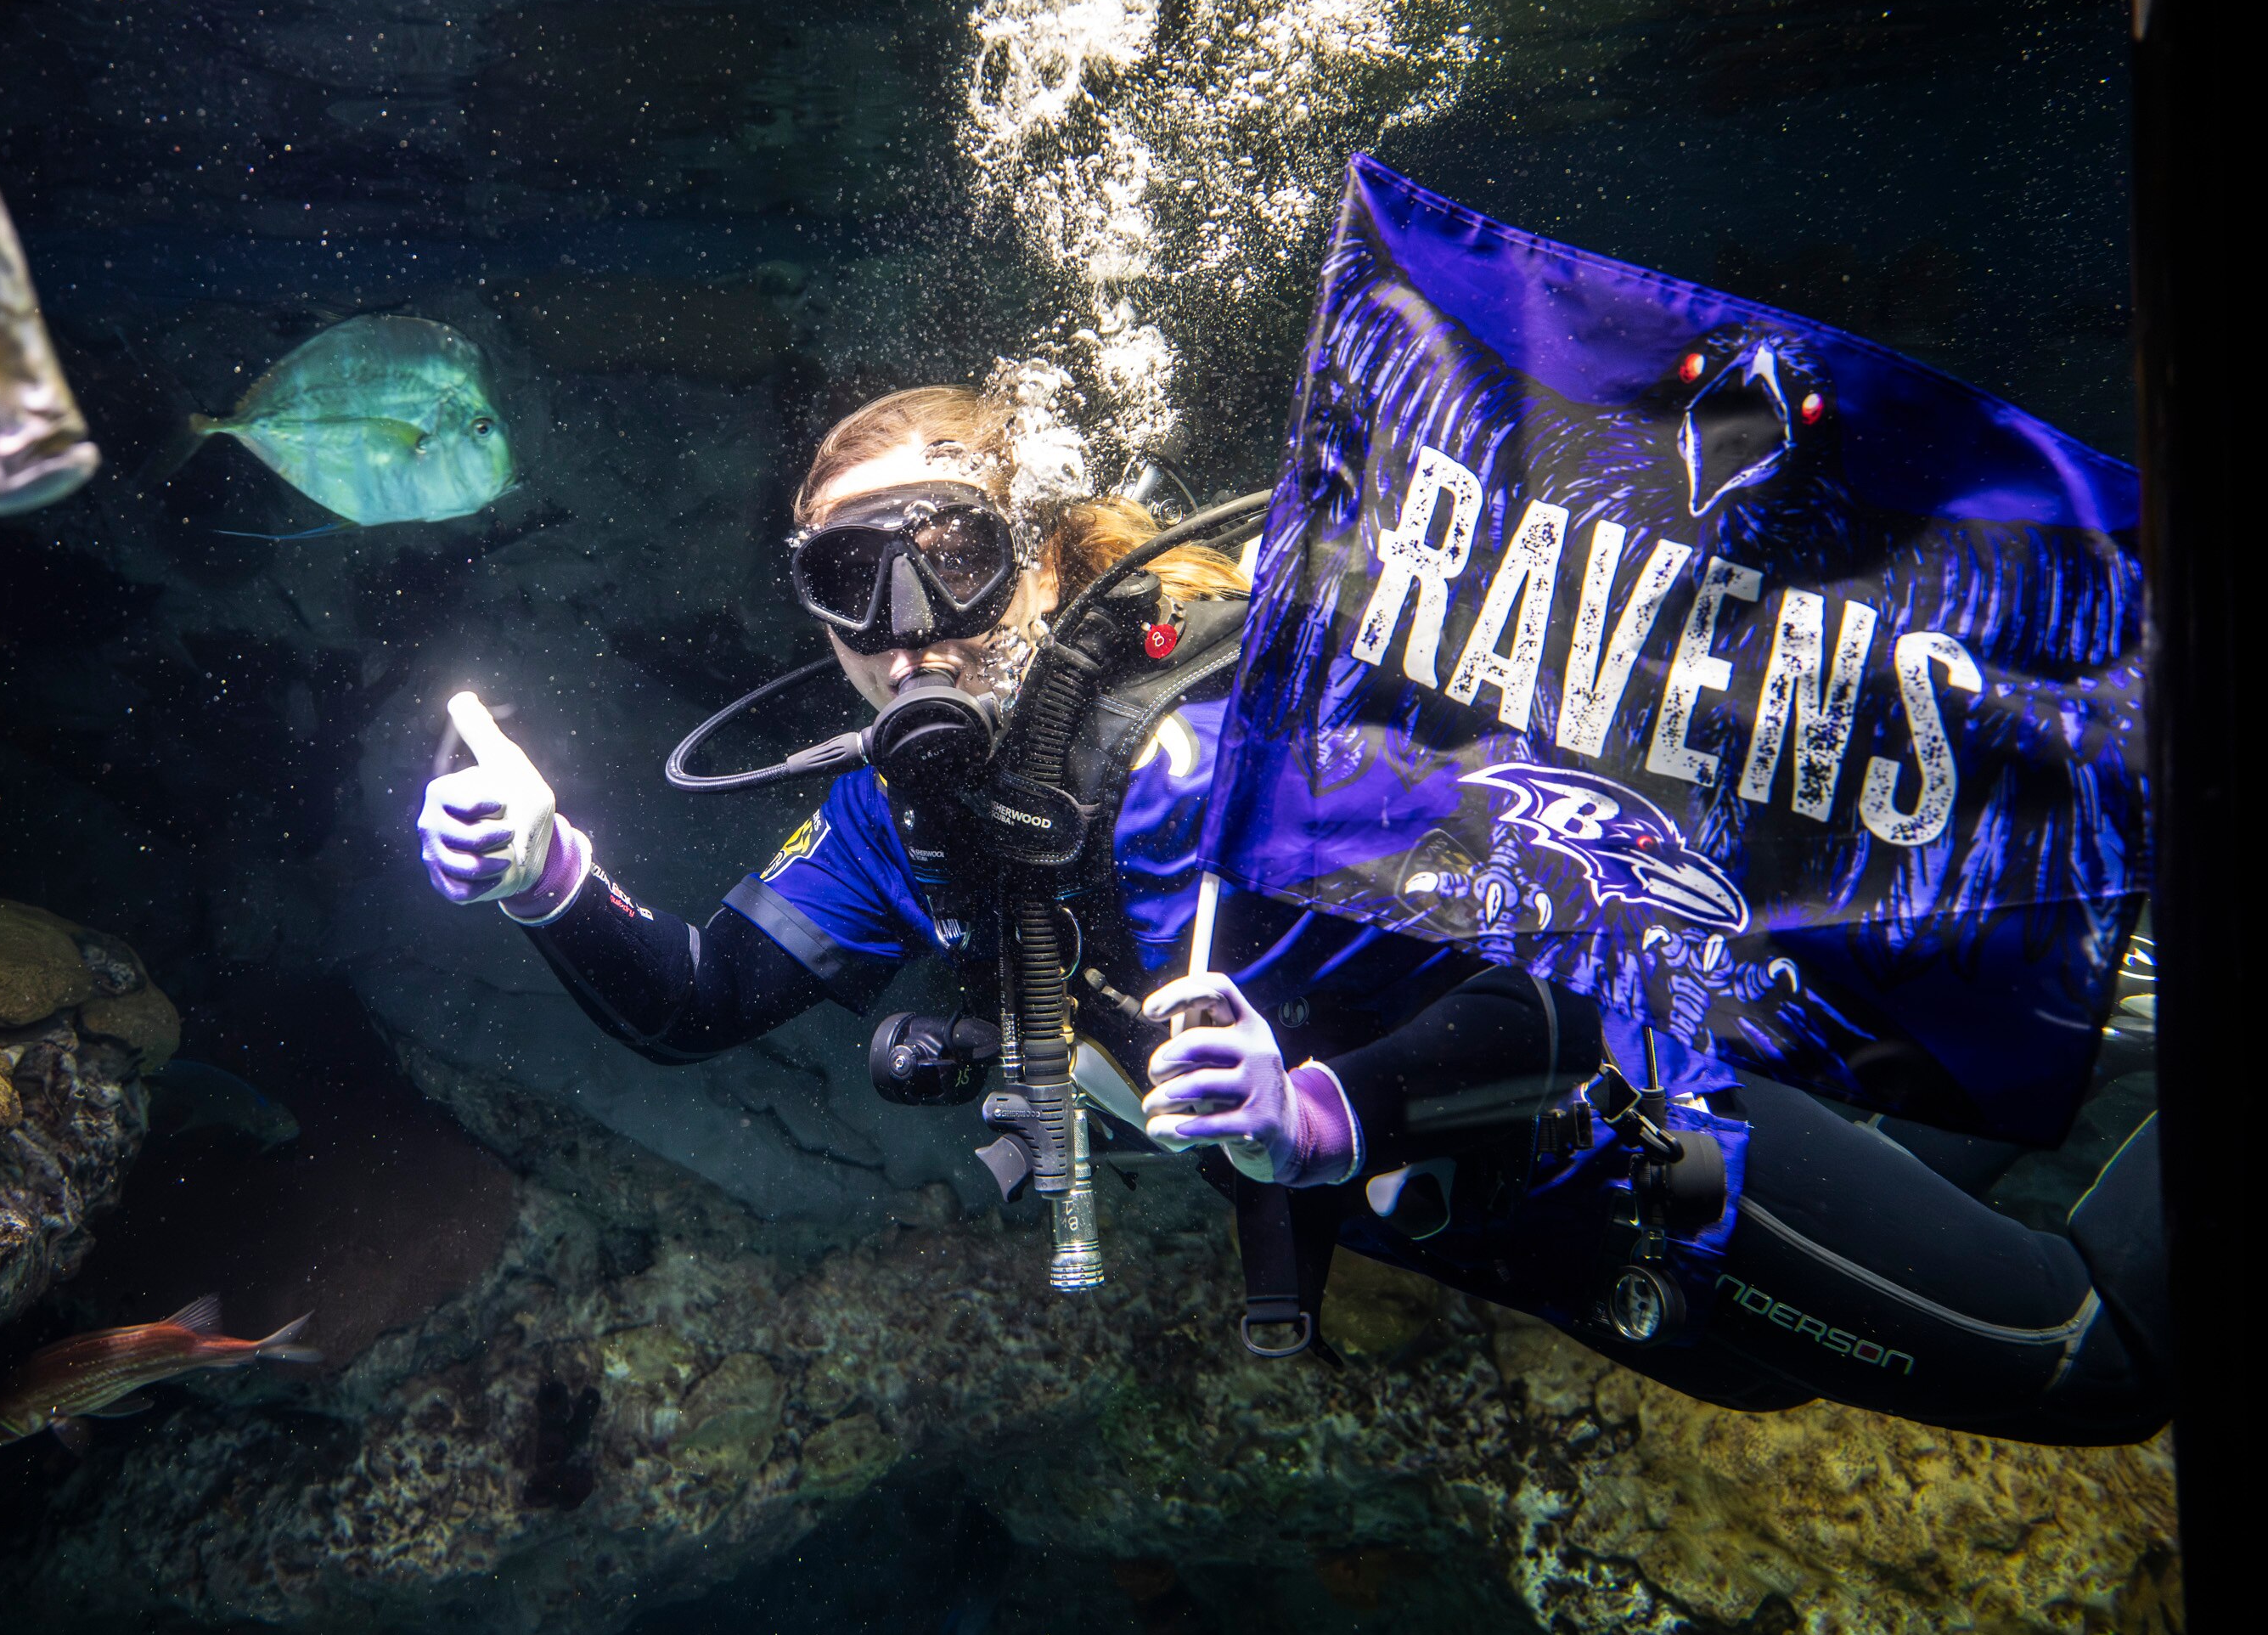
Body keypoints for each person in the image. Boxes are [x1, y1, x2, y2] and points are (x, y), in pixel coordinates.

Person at [418, 386, 2170, 1446]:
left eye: (943, 558)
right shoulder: (897, 817)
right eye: (840, 585)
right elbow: (697, 994)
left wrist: (1329, 1108)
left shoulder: (1236, 732)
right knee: (1808, 1377)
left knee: (2092, 1356)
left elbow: (1583, 940)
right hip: (1503, 1243)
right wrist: (541, 874)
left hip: (1636, 1142)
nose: (900, 633)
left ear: (1034, 556)